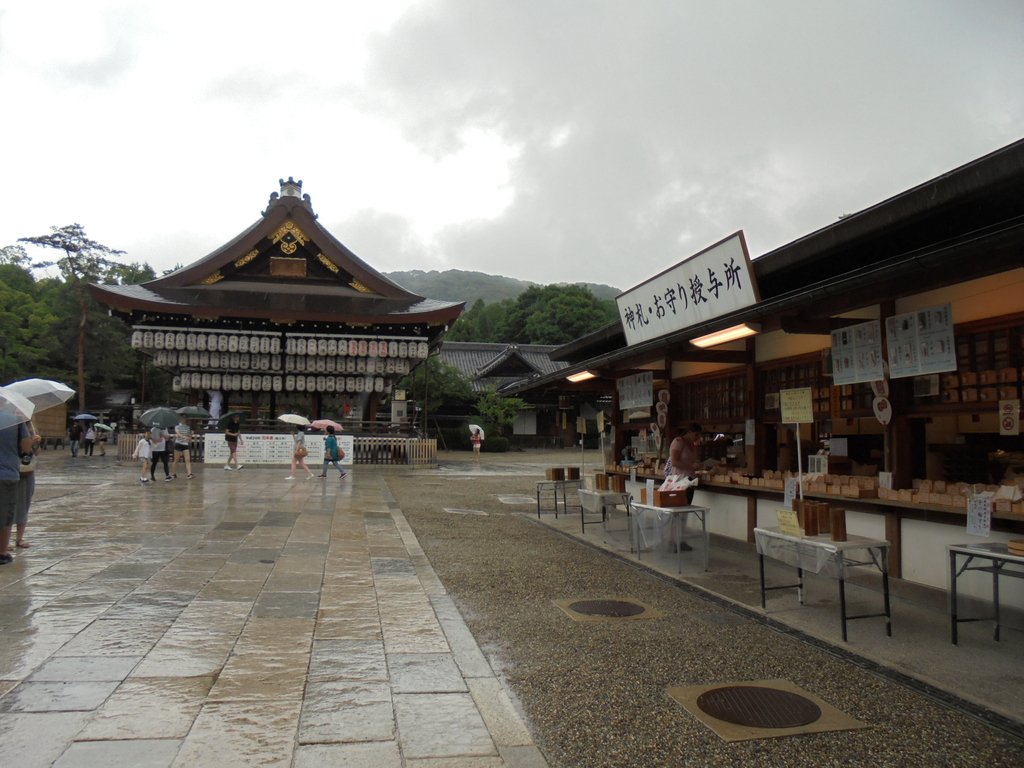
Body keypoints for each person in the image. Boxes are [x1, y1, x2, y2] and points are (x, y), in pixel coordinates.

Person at [1, 420, 33, 565]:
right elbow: (27, 447)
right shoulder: (14, 420)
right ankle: (2, 552)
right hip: (7, 473)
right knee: (5, 513)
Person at [14, 420, 41, 550]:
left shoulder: (32, 430)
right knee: (5, 505)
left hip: (27, 471)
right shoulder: (8, 427)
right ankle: (4, 540)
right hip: (10, 469)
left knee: (24, 504)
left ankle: (19, 537)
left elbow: (35, 453)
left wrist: (35, 443)